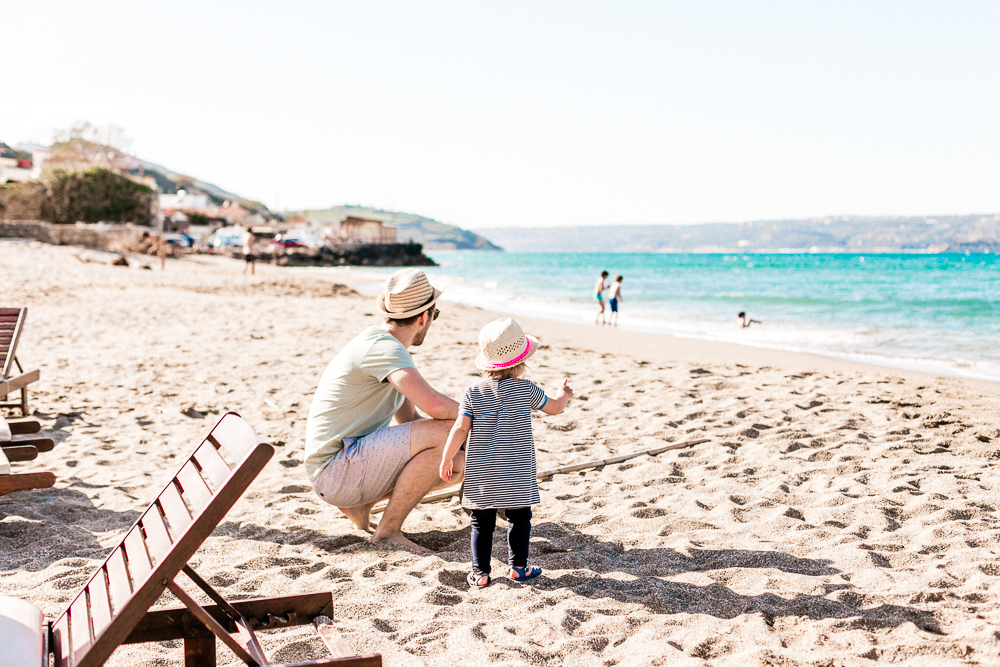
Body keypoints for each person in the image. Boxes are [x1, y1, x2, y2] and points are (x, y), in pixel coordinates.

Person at [304, 268, 463, 554]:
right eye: (434, 316)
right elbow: (436, 407)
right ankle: (388, 532)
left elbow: (410, 421)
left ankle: (361, 506)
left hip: (337, 466)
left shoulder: (381, 345)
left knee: (458, 459)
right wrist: (486, 413)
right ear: (424, 317)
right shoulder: (385, 351)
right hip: (335, 470)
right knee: (447, 433)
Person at [439, 318, 573, 590]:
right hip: (517, 473)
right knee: (520, 519)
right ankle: (519, 568)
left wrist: (447, 457)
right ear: (522, 361)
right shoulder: (526, 389)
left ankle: (480, 574)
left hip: (482, 475)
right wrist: (564, 393)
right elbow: (555, 408)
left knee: (481, 522)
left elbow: (460, 428)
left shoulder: (472, 392)